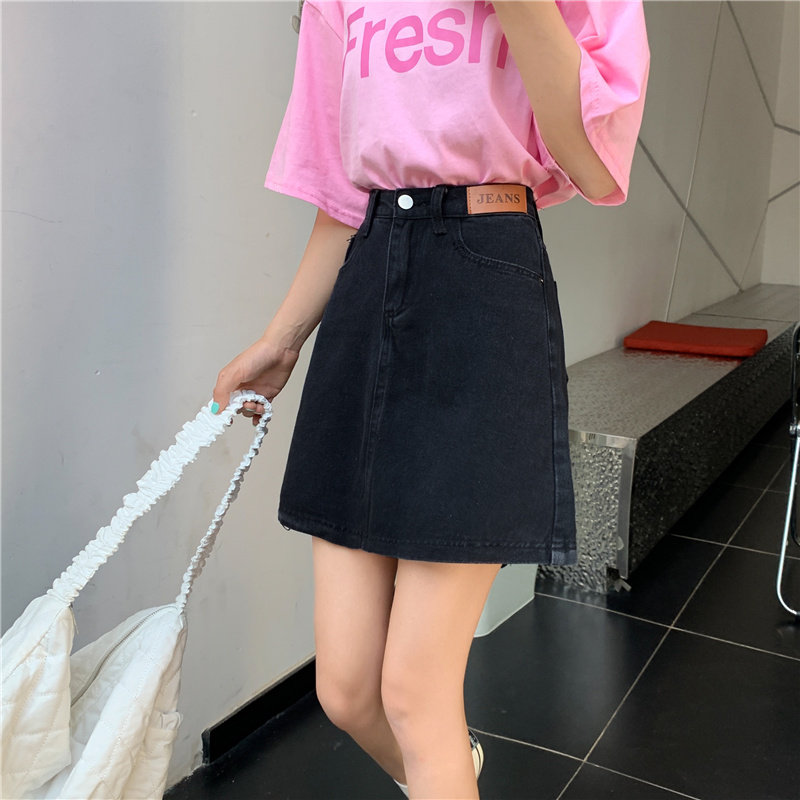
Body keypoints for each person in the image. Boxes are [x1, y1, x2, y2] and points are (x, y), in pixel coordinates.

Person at [211, 2, 649, 797]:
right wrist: (282, 339)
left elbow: (593, 163)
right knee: (346, 692)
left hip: (485, 278)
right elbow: (342, 198)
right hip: (369, 276)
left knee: (416, 693)